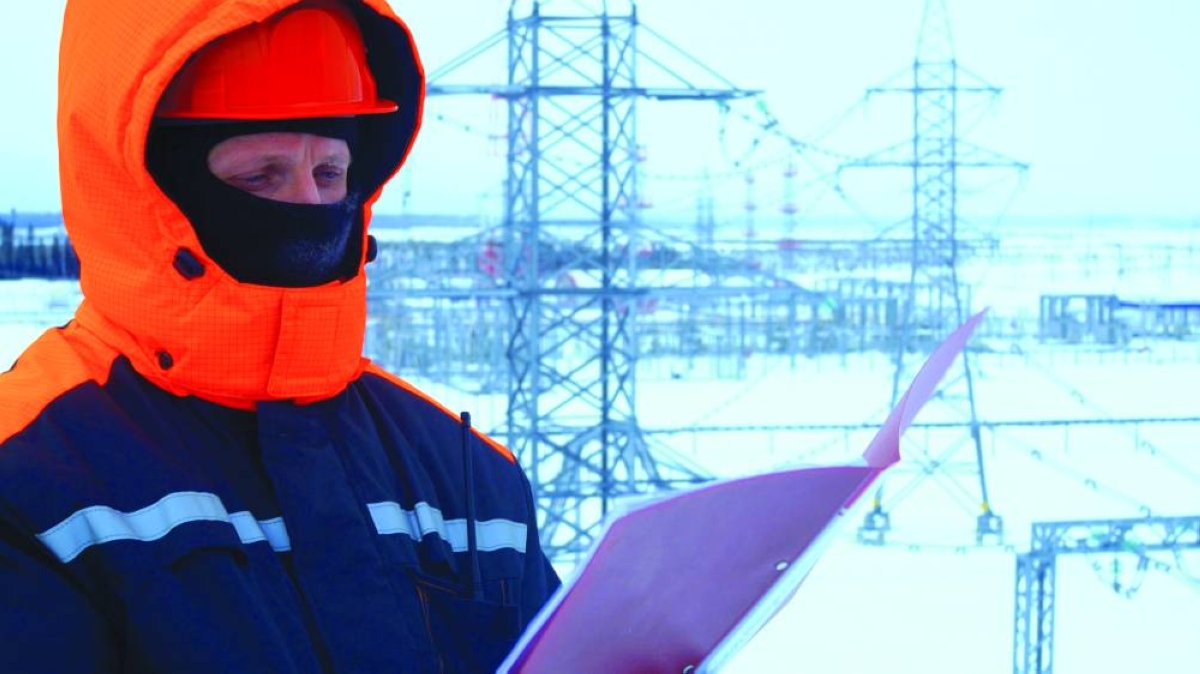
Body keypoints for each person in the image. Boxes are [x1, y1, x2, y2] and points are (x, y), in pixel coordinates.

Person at [0, 0, 559, 671]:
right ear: (152, 192)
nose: (310, 208)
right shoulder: (31, 475)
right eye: (260, 176)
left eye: (330, 173)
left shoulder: (469, 474)